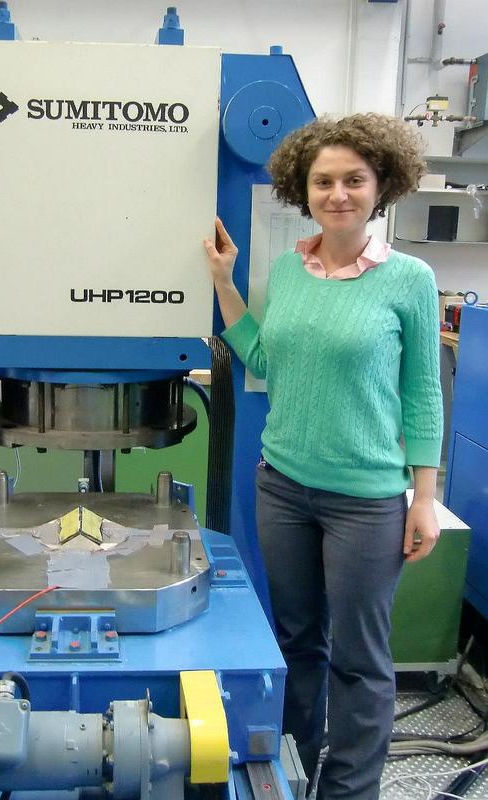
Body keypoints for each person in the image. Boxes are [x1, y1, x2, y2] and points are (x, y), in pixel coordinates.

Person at [204, 113, 443, 800]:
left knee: (361, 662)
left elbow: (423, 394)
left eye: (354, 180)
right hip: (281, 487)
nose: (338, 193)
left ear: (382, 186)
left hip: (365, 500)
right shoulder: (288, 269)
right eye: (324, 181)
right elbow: (263, 359)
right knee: (295, 644)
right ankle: (293, 772)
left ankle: (348, 791)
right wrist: (225, 281)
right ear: (302, 190)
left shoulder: (410, 280)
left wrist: (422, 497)